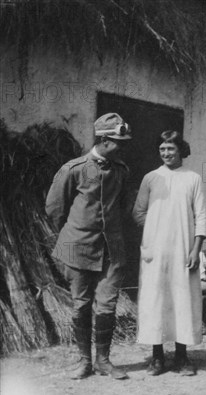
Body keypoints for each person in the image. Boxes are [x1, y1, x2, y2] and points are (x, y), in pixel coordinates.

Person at [45, 113, 132, 380]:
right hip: (77, 246)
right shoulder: (75, 168)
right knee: (81, 306)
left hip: (111, 249)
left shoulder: (121, 170)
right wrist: (73, 234)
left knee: (107, 305)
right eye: (119, 141)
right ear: (104, 139)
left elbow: (124, 205)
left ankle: (103, 361)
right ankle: (84, 361)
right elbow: (55, 209)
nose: (123, 146)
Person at [132, 130, 206, 377]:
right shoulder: (151, 178)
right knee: (156, 300)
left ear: (180, 150)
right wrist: (155, 231)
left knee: (182, 300)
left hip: (184, 249)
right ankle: (157, 358)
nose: (166, 153)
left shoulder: (192, 178)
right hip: (156, 251)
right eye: (162, 149)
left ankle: (183, 357)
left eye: (170, 149)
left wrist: (196, 249)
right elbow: (138, 212)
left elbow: (201, 216)